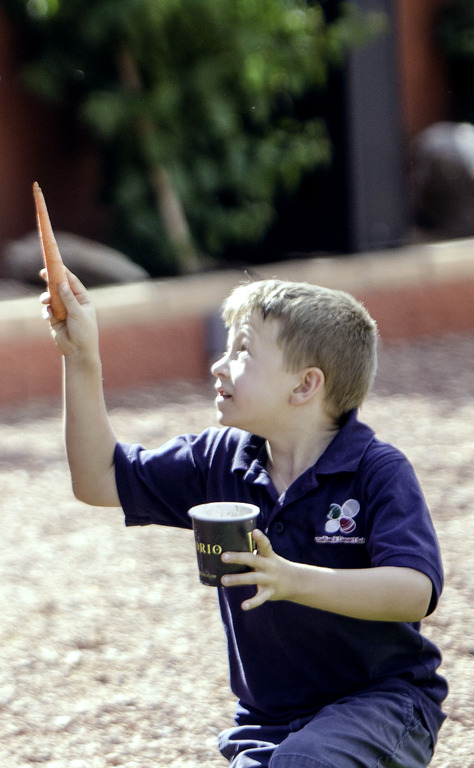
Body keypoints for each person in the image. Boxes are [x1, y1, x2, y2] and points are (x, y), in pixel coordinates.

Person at [43, 271, 447, 767]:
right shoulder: (219, 459)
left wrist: (293, 580)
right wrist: (81, 355)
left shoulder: (376, 471)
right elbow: (98, 479)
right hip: (267, 723)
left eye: (242, 351)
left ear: (305, 384)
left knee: (303, 761)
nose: (218, 365)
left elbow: (414, 591)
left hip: (386, 705)